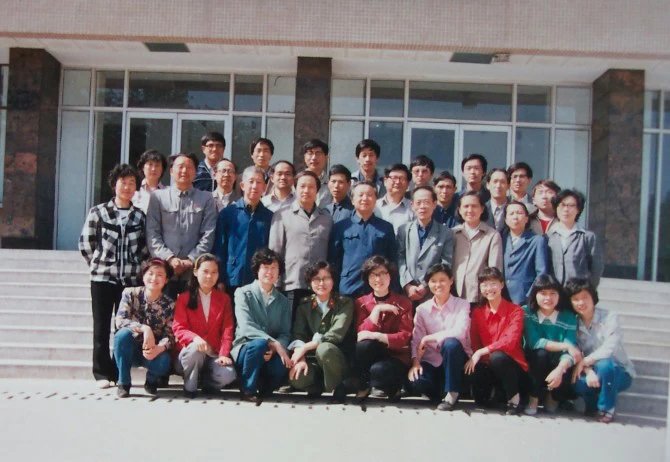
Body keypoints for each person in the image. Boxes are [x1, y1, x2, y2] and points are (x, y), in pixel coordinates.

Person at [79, 164, 148, 389]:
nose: (127, 187)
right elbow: (86, 243)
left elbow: (144, 248)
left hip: (130, 281)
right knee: (101, 327)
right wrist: (99, 264)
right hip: (102, 279)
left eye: (131, 183)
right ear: (114, 184)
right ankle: (101, 373)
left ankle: (119, 373)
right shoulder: (98, 212)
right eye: (123, 182)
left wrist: (139, 269)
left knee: (124, 329)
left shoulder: (139, 216)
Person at [146, 153, 218, 298]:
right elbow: (152, 233)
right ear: (171, 171)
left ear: (195, 172)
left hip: (194, 271)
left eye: (189, 167)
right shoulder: (158, 197)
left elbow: (208, 234)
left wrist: (191, 260)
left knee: (192, 310)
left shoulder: (206, 198)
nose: (184, 171)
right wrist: (170, 258)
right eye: (180, 167)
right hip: (164, 270)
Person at [565, 278, 636, 423]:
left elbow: (610, 347)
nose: (581, 302)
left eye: (585, 297)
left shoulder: (610, 316)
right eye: (575, 299)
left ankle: (606, 409)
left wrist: (586, 361)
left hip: (619, 371)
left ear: (593, 297)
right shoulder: (573, 322)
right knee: (577, 382)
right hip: (590, 369)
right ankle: (592, 406)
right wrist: (588, 371)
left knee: (605, 365)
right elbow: (576, 350)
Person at [231, 249, 293, 402]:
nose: (269, 272)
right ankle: (248, 389)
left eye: (274, 268)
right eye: (265, 267)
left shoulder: (283, 301)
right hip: (247, 348)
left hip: (272, 352)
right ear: (257, 270)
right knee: (258, 344)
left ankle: (266, 389)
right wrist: (271, 342)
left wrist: (275, 348)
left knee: (282, 364)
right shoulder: (243, 293)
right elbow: (246, 326)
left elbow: (285, 333)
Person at [289, 261, 355, 402]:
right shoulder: (304, 305)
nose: (321, 283)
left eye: (326, 278)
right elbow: (298, 335)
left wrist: (306, 347)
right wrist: (301, 358)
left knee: (324, 349)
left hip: (336, 358)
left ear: (333, 280)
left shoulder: (344, 303)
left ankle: (338, 387)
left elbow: (335, 334)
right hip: (313, 360)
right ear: (310, 282)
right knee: (297, 378)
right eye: (316, 279)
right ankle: (317, 386)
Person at [172, 253, 236, 398]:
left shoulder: (224, 299)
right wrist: (195, 338)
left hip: (213, 353)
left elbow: (228, 329)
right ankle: (190, 387)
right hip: (189, 354)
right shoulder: (184, 298)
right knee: (195, 349)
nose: (209, 276)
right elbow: (178, 328)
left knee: (228, 374)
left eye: (214, 272)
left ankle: (208, 384)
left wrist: (223, 354)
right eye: (205, 271)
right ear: (195, 272)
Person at [408, 263, 470, 411]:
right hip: (432, 361)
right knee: (415, 381)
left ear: (451, 281)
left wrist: (431, 338)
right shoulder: (422, 309)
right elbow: (417, 339)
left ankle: (452, 393)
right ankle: (439, 393)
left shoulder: (462, 304)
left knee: (450, 343)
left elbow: (460, 332)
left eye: (442, 280)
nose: (438, 285)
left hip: (456, 361)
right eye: (433, 281)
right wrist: (415, 362)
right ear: (428, 284)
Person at [466, 267, 528, 415]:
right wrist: (476, 356)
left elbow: (510, 341)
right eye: (484, 285)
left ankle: (514, 399)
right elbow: (475, 341)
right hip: (488, 364)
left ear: (502, 284)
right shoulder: (478, 312)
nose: (489, 288)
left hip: (511, 366)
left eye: (493, 283)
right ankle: (494, 394)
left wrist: (482, 351)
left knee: (498, 357)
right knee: (473, 368)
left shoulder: (516, 311)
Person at [269, 170, 333, 312]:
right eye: (302, 186)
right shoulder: (282, 215)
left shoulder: (326, 219)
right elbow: (275, 251)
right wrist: (276, 283)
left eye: (311, 187)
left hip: (319, 285)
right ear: (295, 188)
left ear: (317, 190)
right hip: (292, 283)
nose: (306, 190)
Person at [113, 258, 175, 398]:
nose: (154, 278)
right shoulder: (130, 293)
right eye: (150, 273)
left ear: (166, 280)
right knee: (122, 335)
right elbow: (120, 321)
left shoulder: (170, 304)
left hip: (152, 351)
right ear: (143, 276)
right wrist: (144, 328)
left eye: (159, 275)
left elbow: (170, 335)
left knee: (164, 360)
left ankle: (151, 380)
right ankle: (123, 383)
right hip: (131, 349)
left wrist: (159, 348)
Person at [355, 256, 413, 402]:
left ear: (390, 276)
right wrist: (377, 310)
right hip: (374, 353)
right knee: (363, 346)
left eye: (382, 273)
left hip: (396, 355)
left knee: (379, 370)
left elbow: (405, 336)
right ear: (367, 278)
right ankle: (364, 385)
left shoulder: (404, 302)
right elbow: (361, 333)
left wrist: (377, 336)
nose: (378, 279)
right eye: (373, 274)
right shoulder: (361, 302)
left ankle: (393, 387)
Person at [328, 181, 397, 297]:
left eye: (369, 195)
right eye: (360, 195)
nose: (365, 198)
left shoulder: (386, 227)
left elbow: (392, 260)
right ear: (352, 200)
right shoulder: (341, 227)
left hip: (377, 289)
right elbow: (333, 261)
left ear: (375, 200)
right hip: (348, 288)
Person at [522, 275, 579, 415]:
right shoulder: (527, 312)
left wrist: (560, 369)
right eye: (543, 293)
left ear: (559, 295)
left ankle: (552, 396)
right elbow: (535, 342)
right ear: (535, 294)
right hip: (535, 361)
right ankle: (533, 398)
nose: (548, 298)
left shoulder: (569, 317)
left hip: (557, 363)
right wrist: (566, 346)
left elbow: (571, 351)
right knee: (541, 354)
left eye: (553, 293)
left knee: (568, 363)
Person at [213, 166, 273, 297]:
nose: (254, 186)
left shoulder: (269, 217)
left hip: (258, 280)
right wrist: (220, 279)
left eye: (259, 182)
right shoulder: (228, 213)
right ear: (242, 185)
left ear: (264, 188)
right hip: (232, 278)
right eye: (251, 181)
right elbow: (219, 248)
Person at [397, 186, 454, 304]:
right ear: (412, 205)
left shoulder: (446, 233)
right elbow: (400, 258)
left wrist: (426, 285)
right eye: (418, 203)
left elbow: (445, 263)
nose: (422, 206)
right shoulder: (403, 230)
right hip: (407, 292)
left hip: (433, 293)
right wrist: (407, 285)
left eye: (427, 202)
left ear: (434, 204)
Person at [451, 191, 503, 303]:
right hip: (453, 295)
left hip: (479, 296)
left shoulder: (492, 235)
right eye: (466, 206)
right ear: (459, 210)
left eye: (474, 206)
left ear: (482, 209)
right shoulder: (453, 233)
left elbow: (494, 269)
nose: (470, 210)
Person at [547, 189, 604, 287]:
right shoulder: (547, 237)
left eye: (571, 205)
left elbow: (596, 268)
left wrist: (589, 290)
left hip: (578, 292)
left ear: (578, 209)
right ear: (556, 208)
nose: (566, 209)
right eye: (562, 205)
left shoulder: (588, 237)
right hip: (553, 292)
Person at [503, 200, 549, 305]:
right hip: (502, 297)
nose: (515, 217)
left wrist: (531, 295)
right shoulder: (501, 239)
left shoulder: (537, 240)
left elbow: (541, 273)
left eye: (519, 213)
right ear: (505, 220)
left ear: (526, 218)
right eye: (511, 214)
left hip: (526, 298)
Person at [374, 163, 414, 234]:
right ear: (385, 181)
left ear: (408, 184)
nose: (398, 182)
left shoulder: (413, 208)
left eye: (402, 178)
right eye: (394, 178)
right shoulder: (374, 206)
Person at [302, 138, 332, 206]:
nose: (314, 158)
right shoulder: (296, 182)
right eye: (310, 153)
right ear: (304, 157)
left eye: (318, 153)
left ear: (326, 158)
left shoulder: (331, 183)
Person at [485, 168, 509, 233]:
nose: (498, 186)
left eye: (502, 182)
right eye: (495, 181)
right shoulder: (481, 209)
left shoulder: (515, 208)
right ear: (488, 185)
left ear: (508, 186)